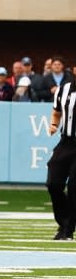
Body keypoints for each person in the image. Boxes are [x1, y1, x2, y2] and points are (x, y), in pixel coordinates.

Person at [47, 76, 76, 240]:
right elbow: (56, 111)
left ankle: (67, 230)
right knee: (53, 183)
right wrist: (53, 124)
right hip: (65, 141)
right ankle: (64, 222)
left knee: (73, 187)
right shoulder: (63, 89)